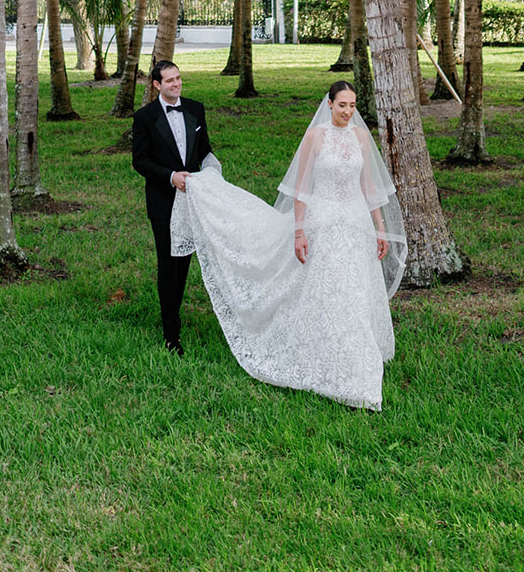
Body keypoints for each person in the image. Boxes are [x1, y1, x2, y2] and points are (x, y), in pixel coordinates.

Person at [170, 80, 406, 410]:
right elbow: (301, 187)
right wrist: (299, 232)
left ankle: (358, 360)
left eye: (352, 106)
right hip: (320, 222)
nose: (348, 112)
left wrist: (380, 228)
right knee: (325, 291)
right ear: (329, 104)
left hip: (354, 225)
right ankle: (328, 358)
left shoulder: (361, 137)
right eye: (342, 106)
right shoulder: (315, 136)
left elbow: (368, 185)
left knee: (353, 291)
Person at [131, 59, 217, 355]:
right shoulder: (145, 117)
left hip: (194, 200)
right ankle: (171, 333)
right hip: (164, 201)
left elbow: (205, 150)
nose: (176, 84)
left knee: (185, 261)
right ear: (156, 84)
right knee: (169, 264)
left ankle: (175, 309)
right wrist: (170, 177)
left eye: (178, 78)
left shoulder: (195, 109)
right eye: (169, 81)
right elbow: (139, 161)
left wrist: (212, 173)